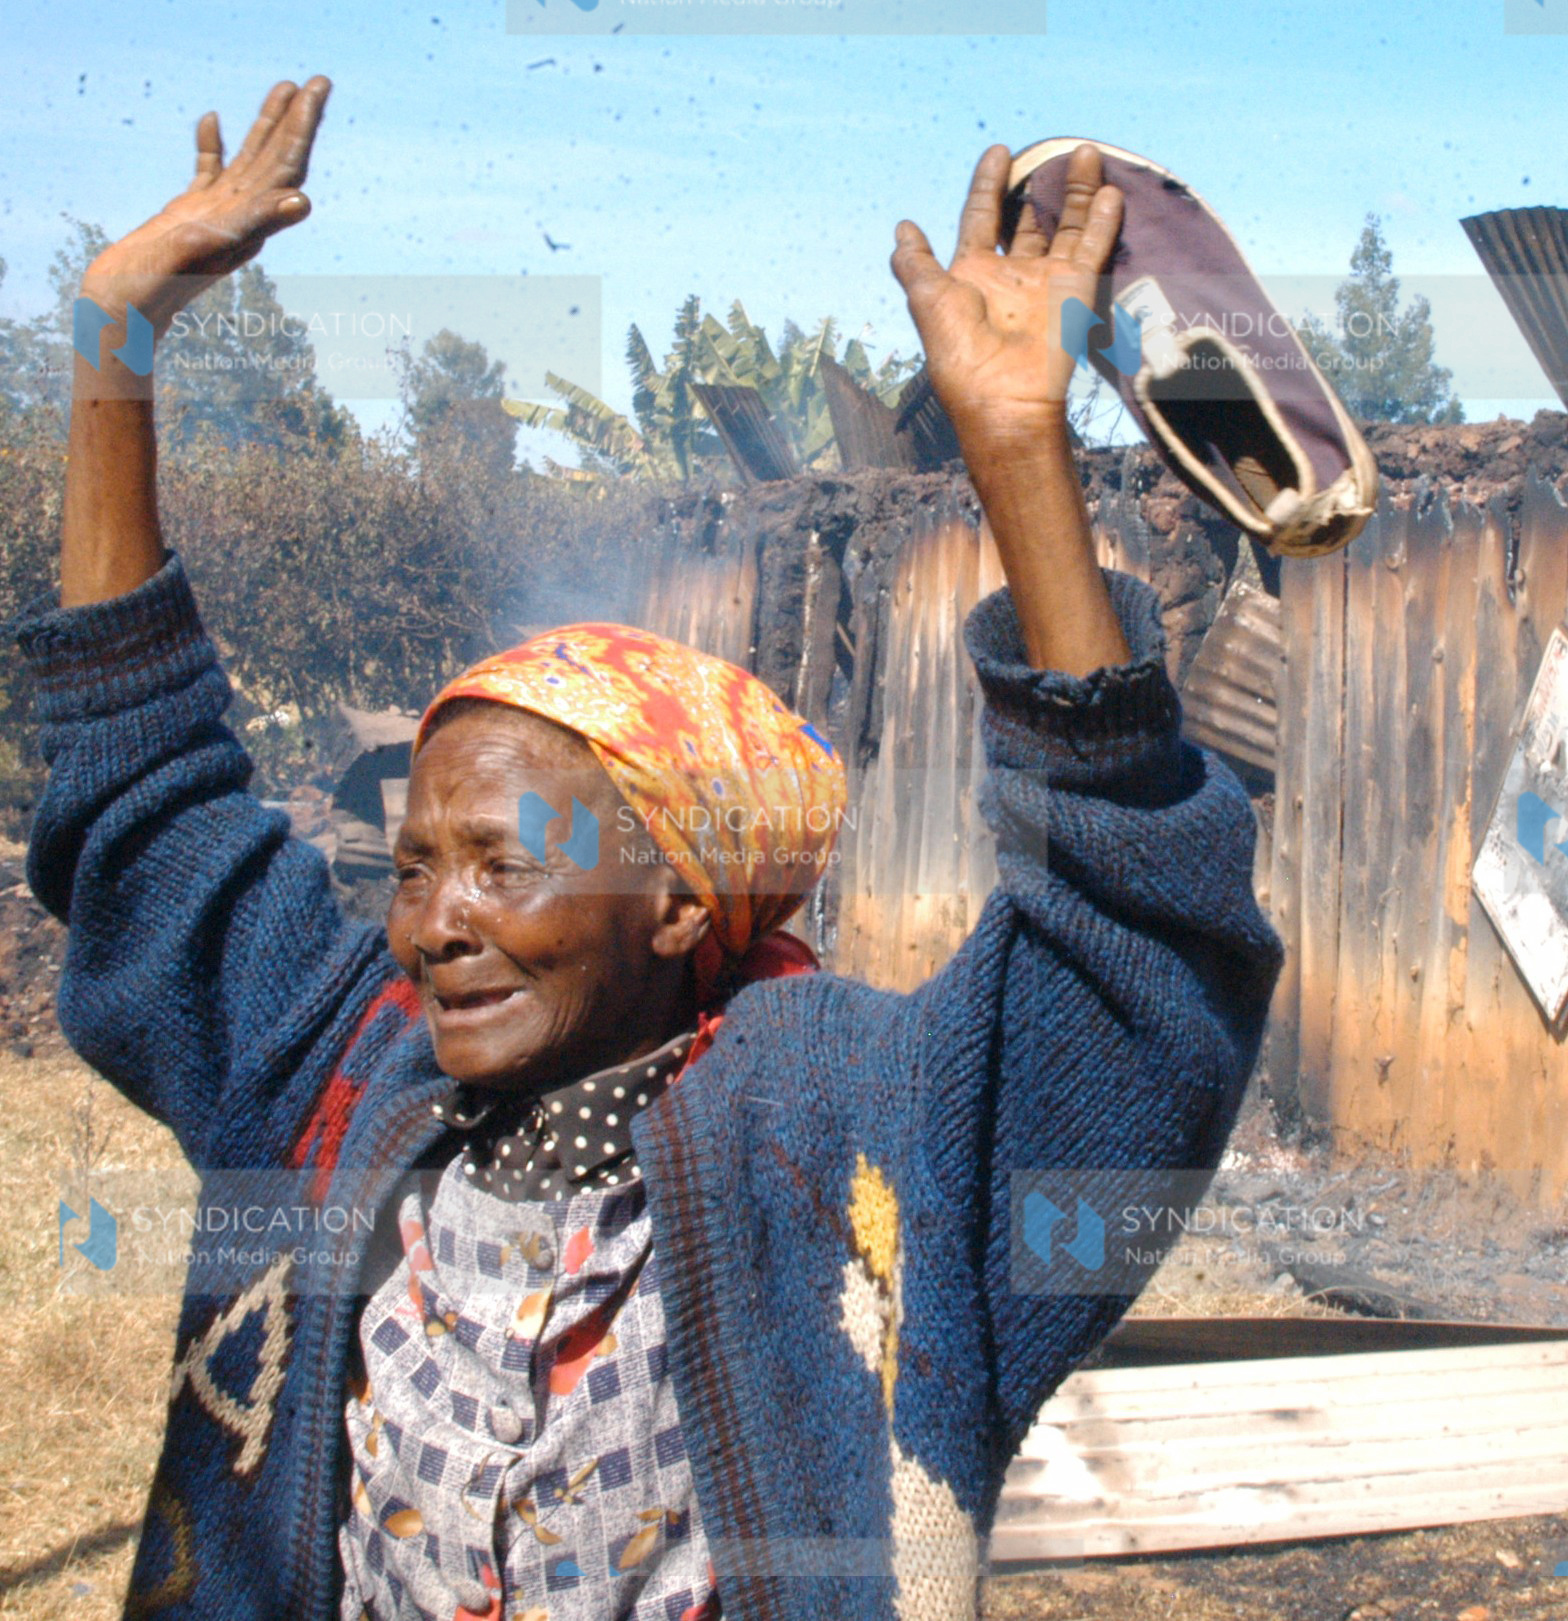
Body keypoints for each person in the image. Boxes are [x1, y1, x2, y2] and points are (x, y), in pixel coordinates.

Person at [29, 76, 1280, 1620]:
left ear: (682, 902)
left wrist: (1021, 452)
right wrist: (113, 327)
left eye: (506, 861)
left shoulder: (837, 1134)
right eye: (415, 865)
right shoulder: (336, 1083)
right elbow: (145, 798)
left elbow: (1131, 969)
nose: (435, 923)